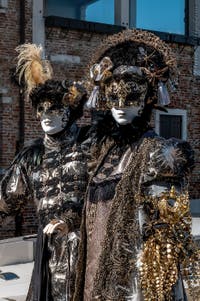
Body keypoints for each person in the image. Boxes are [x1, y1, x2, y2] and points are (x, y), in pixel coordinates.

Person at [74, 29, 200, 301]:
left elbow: (167, 231)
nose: (120, 106)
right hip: (93, 274)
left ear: (146, 100)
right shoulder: (100, 151)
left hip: (132, 279)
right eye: (114, 98)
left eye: (130, 98)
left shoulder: (157, 154)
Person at [0, 44, 90, 301]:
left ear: (70, 112)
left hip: (87, 244)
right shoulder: (32, 157)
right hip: (49, 252)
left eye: (54, 109)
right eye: (42, 110)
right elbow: (6, 200)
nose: (46, 116)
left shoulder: (90, 144)